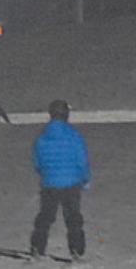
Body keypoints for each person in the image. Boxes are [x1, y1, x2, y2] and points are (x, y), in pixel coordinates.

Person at [29, 99, 90, 259]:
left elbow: (37, 162)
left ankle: (37, 249)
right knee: (73, 218)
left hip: (49, 184)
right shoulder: (74, 136)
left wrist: (47, 175)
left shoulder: (42, 137)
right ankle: (76, 251)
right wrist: (84, 179)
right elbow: (82, 161)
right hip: (71, 184)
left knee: (45, 217)